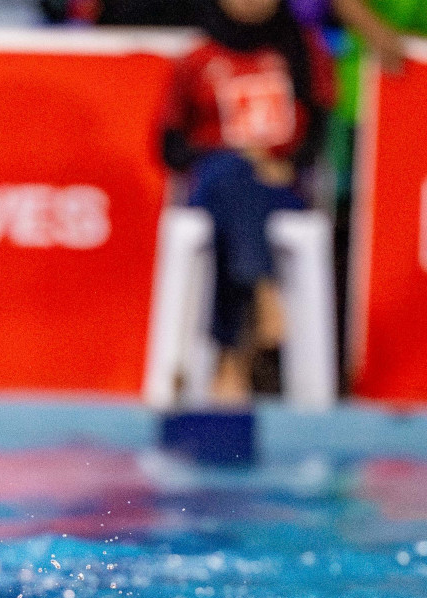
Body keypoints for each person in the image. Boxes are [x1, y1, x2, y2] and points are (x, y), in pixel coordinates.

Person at [158, 0, 335, 404]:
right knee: (227, 175)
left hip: (278, 188)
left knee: (236, 199)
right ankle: (263, 289)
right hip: (214, 184)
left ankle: (229, 361)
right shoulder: (197, 58)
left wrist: (284, 162)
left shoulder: (300, 48)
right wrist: (236, 154)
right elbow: (170, 148)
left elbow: (319, 133)